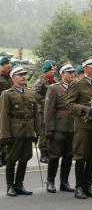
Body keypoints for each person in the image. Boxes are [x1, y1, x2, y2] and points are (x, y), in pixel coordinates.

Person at [66, 57, 92, 199]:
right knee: (81, 156)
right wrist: (85, 109)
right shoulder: (77, 84)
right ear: (85, 68)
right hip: (83, 125)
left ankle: (88, 186)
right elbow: (69, 104)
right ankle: (79, 187)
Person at [0, 65, 41, 196]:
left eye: (24, 74)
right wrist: (4, 134)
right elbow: (3, 115)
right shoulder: (7, 94)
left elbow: (35, 114)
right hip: (15, 130)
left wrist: (37, 131)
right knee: (12, 158)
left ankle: (19, 184)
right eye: (20, 75)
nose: (24, 76)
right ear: (13, 78)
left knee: (25, 157)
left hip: (28, 130)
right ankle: (10, 186)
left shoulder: (30, 92)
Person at [44, 62, 76, 193]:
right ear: (62, 74)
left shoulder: (76, 87)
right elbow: (49, 110)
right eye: (69, 72)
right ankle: (50, 181)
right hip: (58, 126)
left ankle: (64, 182)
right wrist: (49, 129)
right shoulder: (54, 88)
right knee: (54, 155)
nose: (72, 74)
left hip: (72, 127)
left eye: (73, 72)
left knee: (69, 155)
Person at [34, 60, 57, 164]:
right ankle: (43, 154)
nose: (53, 71)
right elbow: (35, 94)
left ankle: (50, 151)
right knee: (44, 131)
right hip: (42, 111)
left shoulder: (54, 81)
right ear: (46, 71)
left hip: (53, 111)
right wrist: (46, 102)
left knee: (51, 129)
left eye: (54, 69)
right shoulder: (41, 81)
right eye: (51, 70)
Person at [0, 57, 12, 168]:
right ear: (2, 65)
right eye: (8, 63)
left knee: (6, 133)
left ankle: (4, 156)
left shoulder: (10, 77)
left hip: (10, 109)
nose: (10, 65)